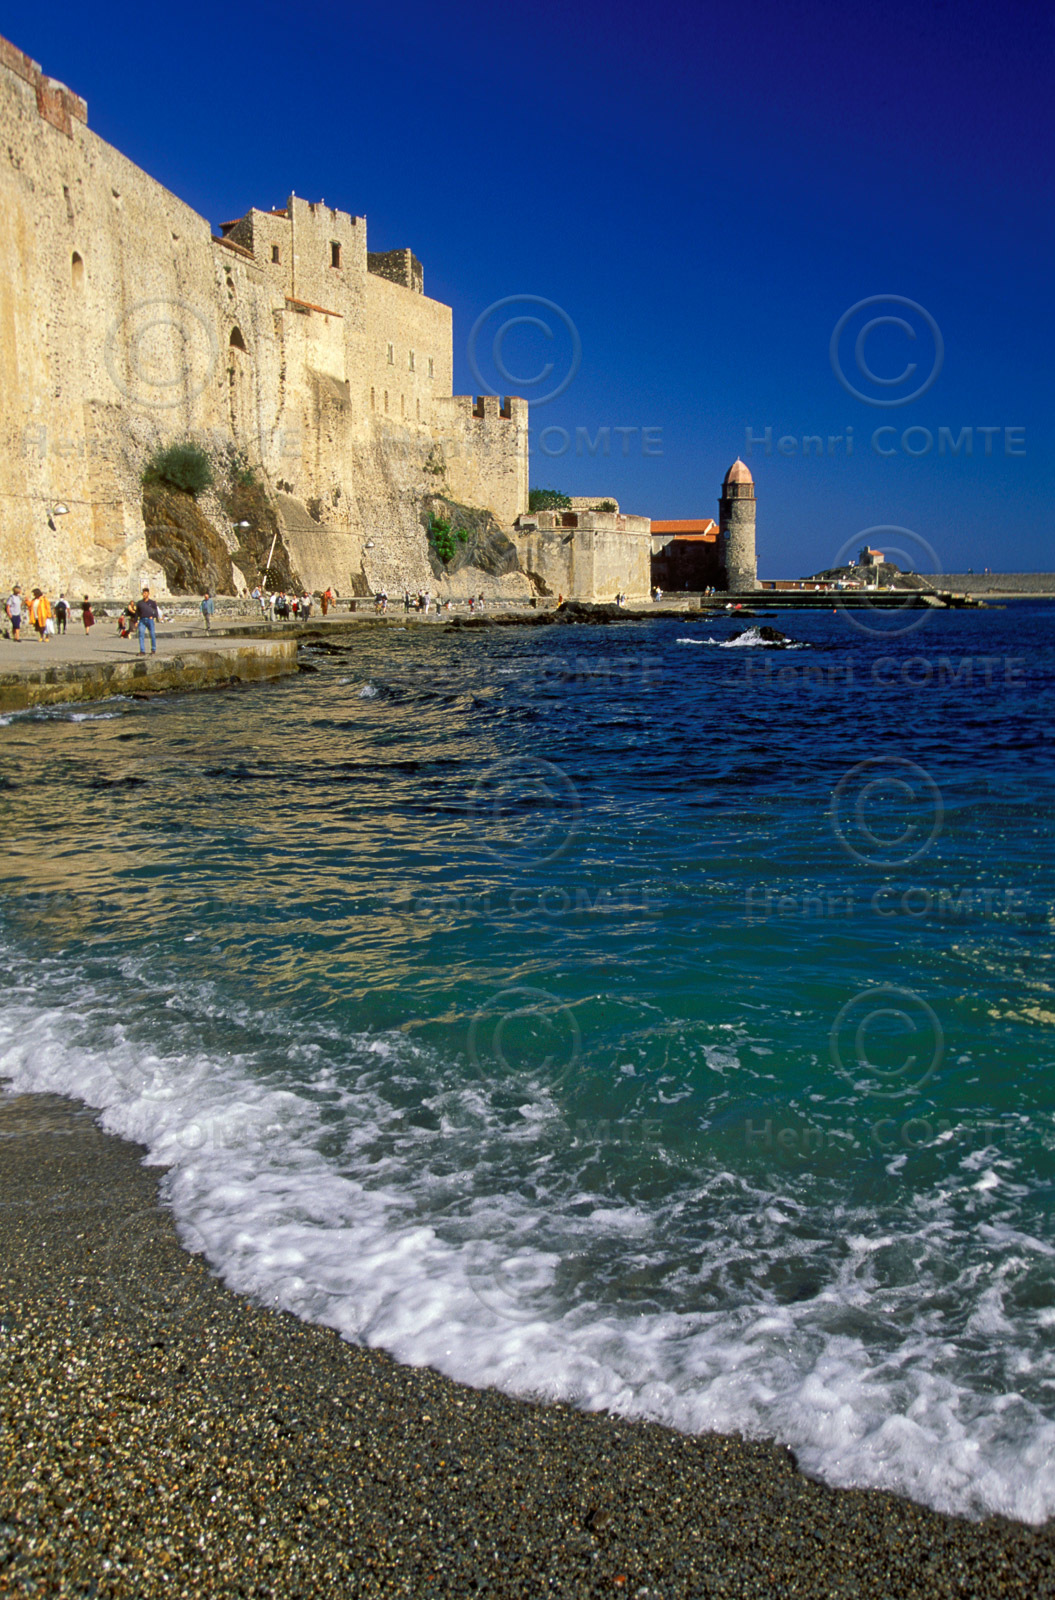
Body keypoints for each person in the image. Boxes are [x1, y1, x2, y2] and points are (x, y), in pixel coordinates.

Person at [135, 586, 159, 654]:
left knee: (152, 634)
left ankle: (153, 649)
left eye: (145, 593)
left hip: (149, 620)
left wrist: (153, 616)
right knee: (141, 635)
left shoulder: (152, 603)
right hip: (142, 620)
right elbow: (137, 612)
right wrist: (136, 621)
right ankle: (142, 650)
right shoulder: (139, 603)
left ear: (148, 594)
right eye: (143, 593)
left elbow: (156, 612)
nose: (144, 594)